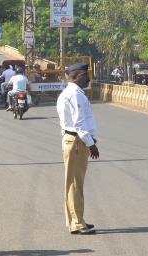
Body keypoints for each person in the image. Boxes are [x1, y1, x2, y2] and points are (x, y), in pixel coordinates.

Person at [56, 62, 99, 235]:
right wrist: (91, 144)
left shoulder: (72, 93)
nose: (87, 78)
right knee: (74, 183)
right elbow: (79, 123)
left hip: (74, 139)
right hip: (76, 141)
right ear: (75, 76)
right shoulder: (75, 94)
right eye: (84, 74)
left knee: (75, 183)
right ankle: (77, 223)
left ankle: (77, 220)